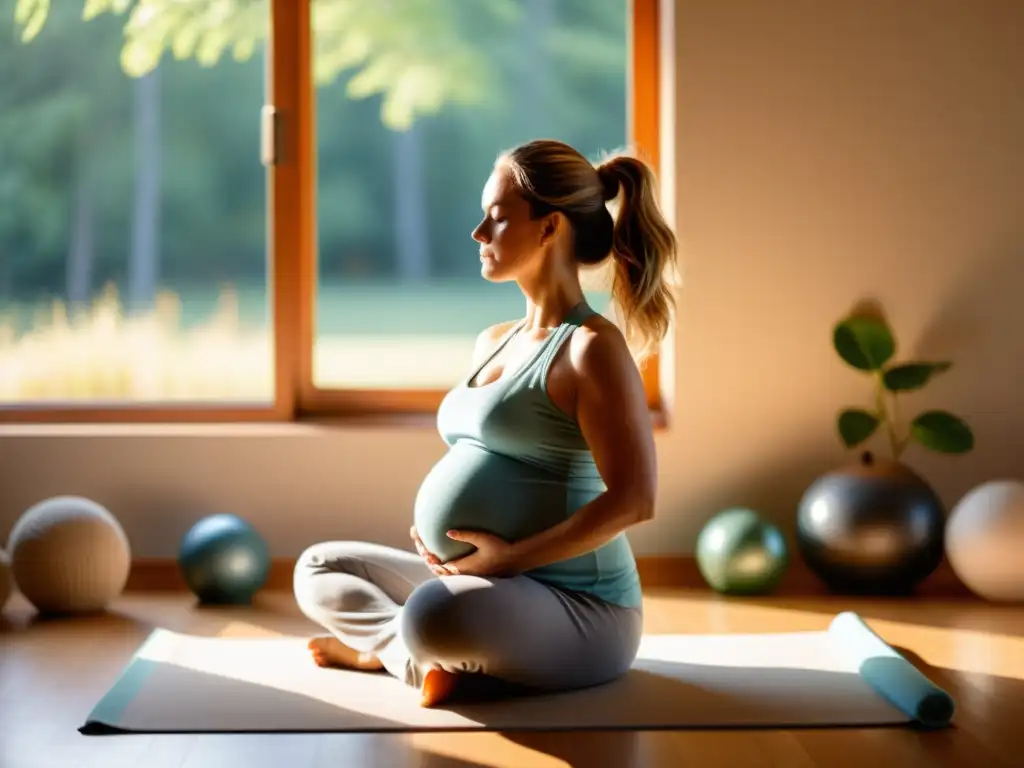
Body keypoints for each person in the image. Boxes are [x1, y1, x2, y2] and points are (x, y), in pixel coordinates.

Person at [292, 138, 678, 708]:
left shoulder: (592, 348)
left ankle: (405, 646)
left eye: (496, 218)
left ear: (549, 229)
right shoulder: (494, 339)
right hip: (486, 584)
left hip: (578, 606)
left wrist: (509, 559)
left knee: (432, 614)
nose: (478, 233)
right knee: (319, 567)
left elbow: (635, 500)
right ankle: (410, 656)